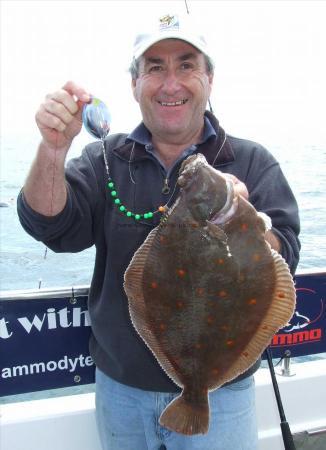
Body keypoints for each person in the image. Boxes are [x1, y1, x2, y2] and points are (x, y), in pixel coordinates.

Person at [17, 12, 300, 450]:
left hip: (222, 397)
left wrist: (248, 227)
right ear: (135, 84)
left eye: (186, 65)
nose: (171, 83)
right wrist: (53, 149)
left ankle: (196, 393)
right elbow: (54, 227)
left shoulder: (252, 161)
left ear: (209, 79)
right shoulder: (104, 159)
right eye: (155, 68)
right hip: (121, 392)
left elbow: (288, 253)